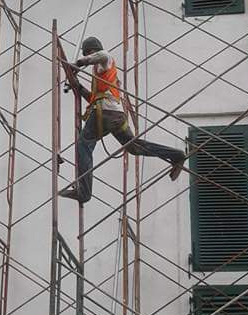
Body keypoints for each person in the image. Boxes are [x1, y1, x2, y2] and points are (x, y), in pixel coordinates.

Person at [59, 36, 186, 204]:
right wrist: (79, 87)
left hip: (104, 114)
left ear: (91, 51)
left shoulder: (105, 61)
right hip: (115, 116)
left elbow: (103, 55)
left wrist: (79, 63)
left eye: (89, 53)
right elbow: (95, 98)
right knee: (134, 147)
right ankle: (176, 155)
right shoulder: (102, 75)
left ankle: (84, 192)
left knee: (84, 145)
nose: (90, 56)